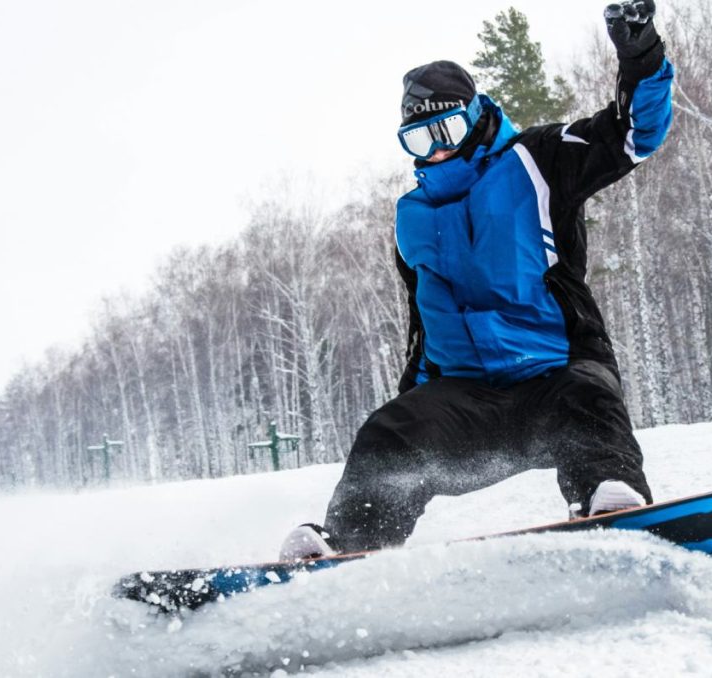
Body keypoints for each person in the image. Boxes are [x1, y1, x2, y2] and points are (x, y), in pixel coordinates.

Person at [280, 0, 674, 560]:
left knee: (590, 400)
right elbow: (425, 322)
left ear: (475, 116)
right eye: (419, 139)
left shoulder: (538, 160)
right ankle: (347, 550)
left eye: (447, 128)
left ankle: (609, 504)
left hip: (554, 374)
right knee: (389, 432)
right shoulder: (411, 216)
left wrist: (639, 53)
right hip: (469, 398)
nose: (437, 147)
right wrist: (415, 408)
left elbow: (637, 133)